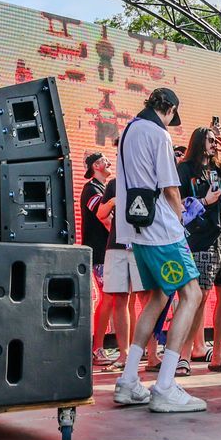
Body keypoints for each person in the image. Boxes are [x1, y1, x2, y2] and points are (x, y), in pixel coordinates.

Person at [112, 87, 207, 413]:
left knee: (158, 297)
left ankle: (128, 382)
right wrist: (182, 217)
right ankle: (165, 384)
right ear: (168, 108)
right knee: (192, 295)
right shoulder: (158, 134)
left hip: (136, 231)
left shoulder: (128, 131)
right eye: (172, 115)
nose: (171, 122)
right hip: (162, 231)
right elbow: (170, 187)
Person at [178, 126, 221, 372]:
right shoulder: (185, 170)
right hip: (201, 242)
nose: (214, 144)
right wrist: (203, 201)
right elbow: (178, 205)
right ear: (198, 142)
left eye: (216, 141)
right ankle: (185, 355)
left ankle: (217, 356)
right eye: (210, 140)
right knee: (198, 298)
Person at [80, 152, 128, 369]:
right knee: (108, 298)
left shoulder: (102, 188)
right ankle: (96, 348)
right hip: (101, 252)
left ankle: (102, 348)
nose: (110, 163)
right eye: (106, 161)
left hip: (108, 251)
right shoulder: (91, 189)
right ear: (96, 165)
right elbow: (105, 219)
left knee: (114, 299)